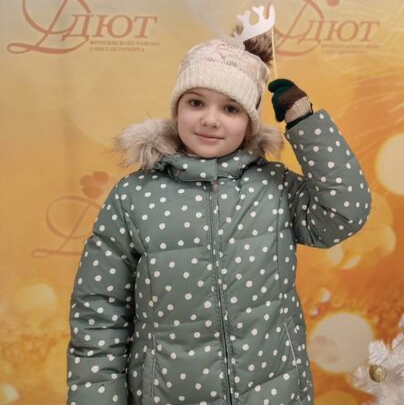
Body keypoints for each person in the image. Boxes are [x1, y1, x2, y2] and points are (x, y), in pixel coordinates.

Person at [66, 30, 372, 405]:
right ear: (177, 108)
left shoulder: (274, 187)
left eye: (230, 109)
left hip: (272, 394)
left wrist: (304, 122)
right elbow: (99, 313)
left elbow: (344, 210)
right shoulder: (134, 197)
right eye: (196, 102)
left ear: (250, 121)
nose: (210, 120)